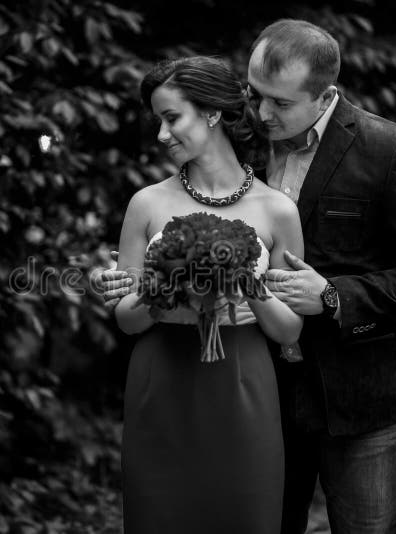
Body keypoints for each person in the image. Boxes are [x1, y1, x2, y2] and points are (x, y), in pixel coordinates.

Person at [100, 19, 396, 534]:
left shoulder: (387, 148)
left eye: (280, 104)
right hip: (257, 392)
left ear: (323, 95)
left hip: (352, 394)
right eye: (254, 95)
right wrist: (148, 275)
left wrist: (332, 294)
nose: (262, 114)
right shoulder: (239, 135)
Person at [114, 56, 304, 533]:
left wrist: (246, 282)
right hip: (161, 380)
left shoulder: (278, 210)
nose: (161, 134)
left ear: (213, 113)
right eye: (158, 120)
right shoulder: (147, 204)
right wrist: (169, 283)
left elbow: (289, 330)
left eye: (171, 117)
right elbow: (127, 320)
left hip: (243, 384)